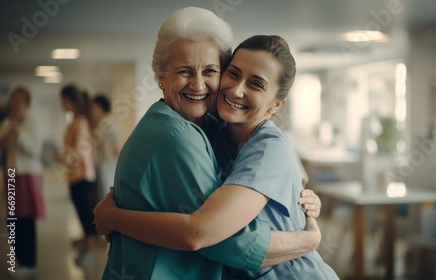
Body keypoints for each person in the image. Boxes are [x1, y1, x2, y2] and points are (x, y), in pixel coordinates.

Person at [94, 7, 323, 280]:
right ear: (160, 77)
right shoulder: (195, 132)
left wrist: (310, 234)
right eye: (184, 71)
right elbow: (209, 235)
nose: (199, 84)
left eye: (210, 71)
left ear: (277, 104)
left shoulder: (262, 143)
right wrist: (306, 239)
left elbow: (203, 232)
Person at [0, 86, 44, 278]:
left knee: (26, 221)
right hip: (11, 175)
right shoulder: (7, 122)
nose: (16, 103)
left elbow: (35, 150)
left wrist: (18, 134)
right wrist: (8, 134)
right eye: (13, 99)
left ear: (27, 103)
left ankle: (30, 263)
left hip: (27, 175)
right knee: (11, 220)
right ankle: (18, 261)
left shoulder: (33, 122)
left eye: (20, 100)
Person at [55, 84, 98, 265]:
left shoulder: (80, 122)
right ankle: (86, 242)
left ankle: (90, 249)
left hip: (82, 175)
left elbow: (80, 150)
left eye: (64, 100)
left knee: (86, 213)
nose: (62, 104)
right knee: (81, 212)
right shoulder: (75, 121)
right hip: (75, 176)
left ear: (71, 102)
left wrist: (62, 158)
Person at [89, 94, 119, 200]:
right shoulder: (101, 124)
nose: (91, 112)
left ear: (99, 107)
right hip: (104, 164)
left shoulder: (107, 124)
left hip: (107, 164)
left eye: (93, 108)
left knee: (106, 195)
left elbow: (114, 148)